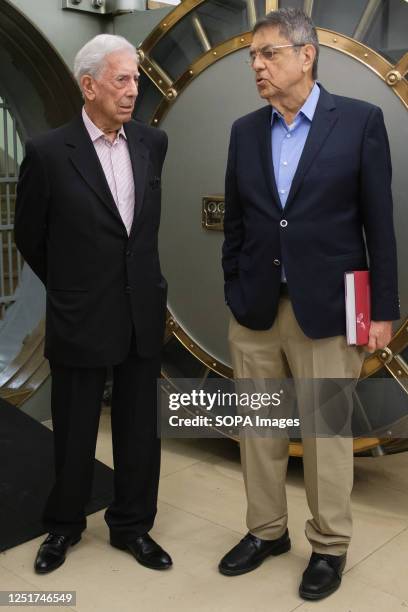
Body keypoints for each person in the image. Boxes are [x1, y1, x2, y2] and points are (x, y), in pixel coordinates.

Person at [219, 8, 399, 601]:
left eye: (268, 54)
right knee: (260, 430)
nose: (257, 67)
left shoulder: (360, 122)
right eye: (252, 58)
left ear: (306, 55)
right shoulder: (245, 131)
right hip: (257, 311)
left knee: (325, 434)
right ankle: (267, 530)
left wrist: (382, 311)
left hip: (328, 311)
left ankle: (329, 545)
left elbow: (380, 226)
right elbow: (239, 225)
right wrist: (235, 285)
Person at [14, 34, 172, 574]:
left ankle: (132, 525)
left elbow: (138, 232)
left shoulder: (153, 144)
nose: (133, 91)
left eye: (136, 80)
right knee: (76, 429)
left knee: (138, 431)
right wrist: (71, 286)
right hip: (80, 313)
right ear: (89, 86)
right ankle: (63, 527)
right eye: (121, 80)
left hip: (142, 311)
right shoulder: (47, 152)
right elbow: (31, 237)